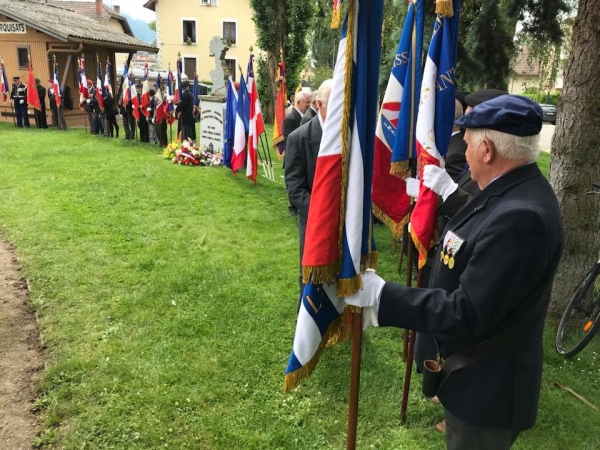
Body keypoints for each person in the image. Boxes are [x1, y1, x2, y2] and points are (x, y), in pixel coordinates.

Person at [345, 95, 564, 450]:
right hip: (475, 376)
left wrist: (383, 296)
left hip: (488, 389)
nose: (464, 150)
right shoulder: (509, 190)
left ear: (488, 150)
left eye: (468, 142)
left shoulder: (520, 215)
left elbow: (468, 310)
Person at [285, 79, 333, 309]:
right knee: (310, 272)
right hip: (314, 219)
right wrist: (321, 211)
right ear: (319, 104)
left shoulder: (348, 137)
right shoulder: (299, 138)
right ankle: (306, 320)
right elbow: (294, 187)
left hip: (342, 220)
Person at [283, 90, 311, 216]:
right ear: (299, 103)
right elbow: (289, 138)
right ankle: (292, 206)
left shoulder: (309, 117)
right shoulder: (290, 119)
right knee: (294, 178)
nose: (309, 105)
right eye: (307, 102)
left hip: (305, 154)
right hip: (294, 154)